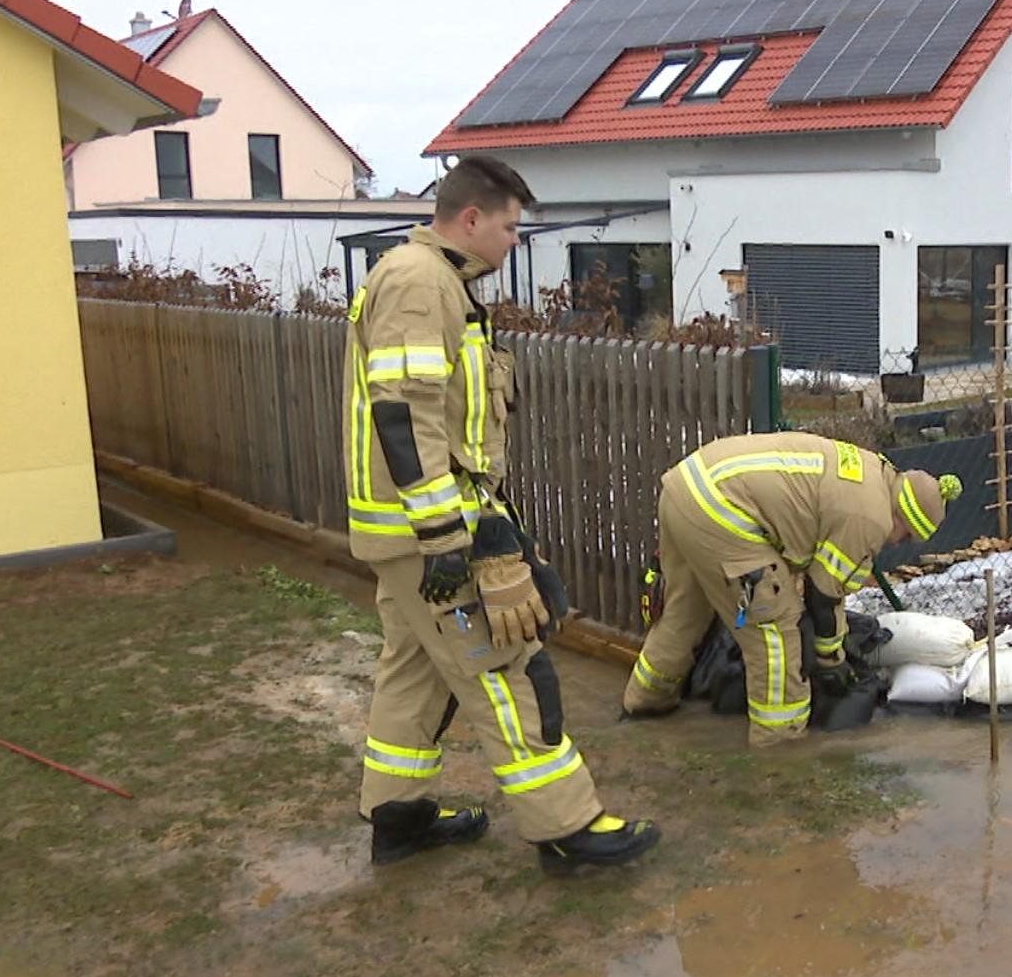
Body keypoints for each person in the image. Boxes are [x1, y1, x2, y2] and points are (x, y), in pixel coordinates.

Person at [343, 155, 659, 872]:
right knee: (507, 667)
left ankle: (399, 816)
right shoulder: (420, 284)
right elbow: (406, 414)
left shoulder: (429, 279)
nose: (516, 241)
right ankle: (567, 827)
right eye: (511, 227)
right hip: (430, 536)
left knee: (415, 672)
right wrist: (445, 537)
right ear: (471, 218)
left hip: (408, 533)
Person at [621, 433, 960, 745]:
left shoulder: (872, 472)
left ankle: (645, 703)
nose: (897, 542)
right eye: (906, 535)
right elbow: (823, 595)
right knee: (776, 631)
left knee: (684, 612)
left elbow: (825, 585)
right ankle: (780, 744)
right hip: (723, 510)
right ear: (904, 516)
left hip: (686, 487)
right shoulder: (872, 518)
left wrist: (834, 647)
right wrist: (831, 662)